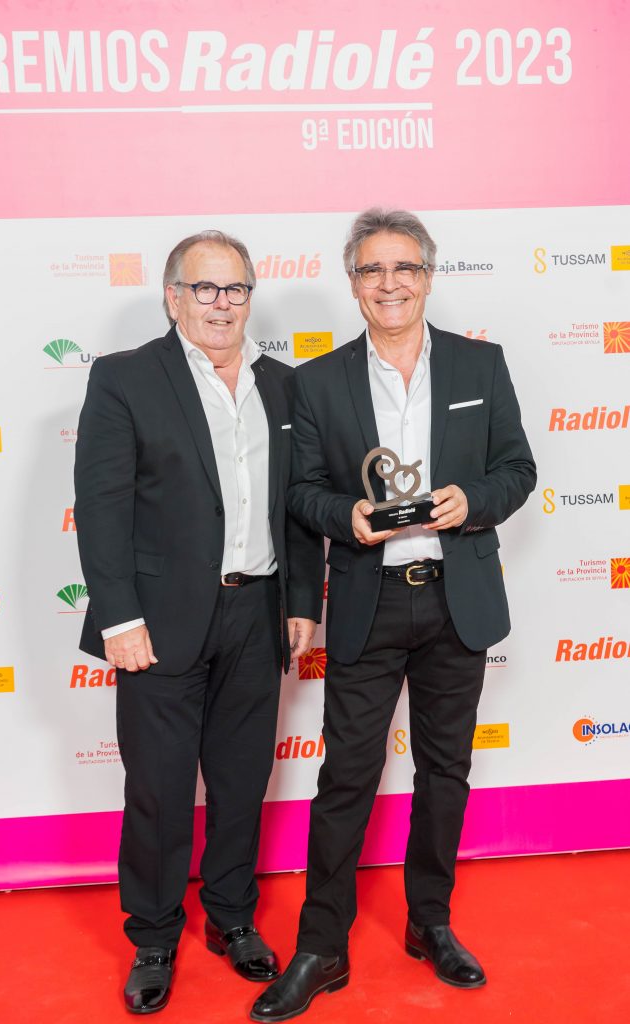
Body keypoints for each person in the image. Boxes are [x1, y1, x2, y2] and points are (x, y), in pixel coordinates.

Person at [251, 208, 536, 1021]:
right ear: (353, 283)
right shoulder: (316, 381)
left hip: (458, 600)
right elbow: (302, 492)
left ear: (428, 275)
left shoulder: (482, 364)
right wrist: (347, 517)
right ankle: (322, 946)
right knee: (345, 777)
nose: (390, 283)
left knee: (446, 773)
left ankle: (430, 922)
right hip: (368, 604)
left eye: (404, 267)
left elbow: (517, 470)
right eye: (372, 269)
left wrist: (472, 501)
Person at [74, 230, 323, 1015]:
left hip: (258, 611)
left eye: (235, 289)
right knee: (158, 788)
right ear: (173, 297)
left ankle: (232, 917)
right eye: (204, 288)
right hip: (157, 619)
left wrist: (302, 601)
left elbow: (297, 505)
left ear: (250, 297)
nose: (222, 304)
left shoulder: (283, 384)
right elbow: (102, 508)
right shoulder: (125, 378)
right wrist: (118, 616)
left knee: (243, 779)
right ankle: (153, 936)